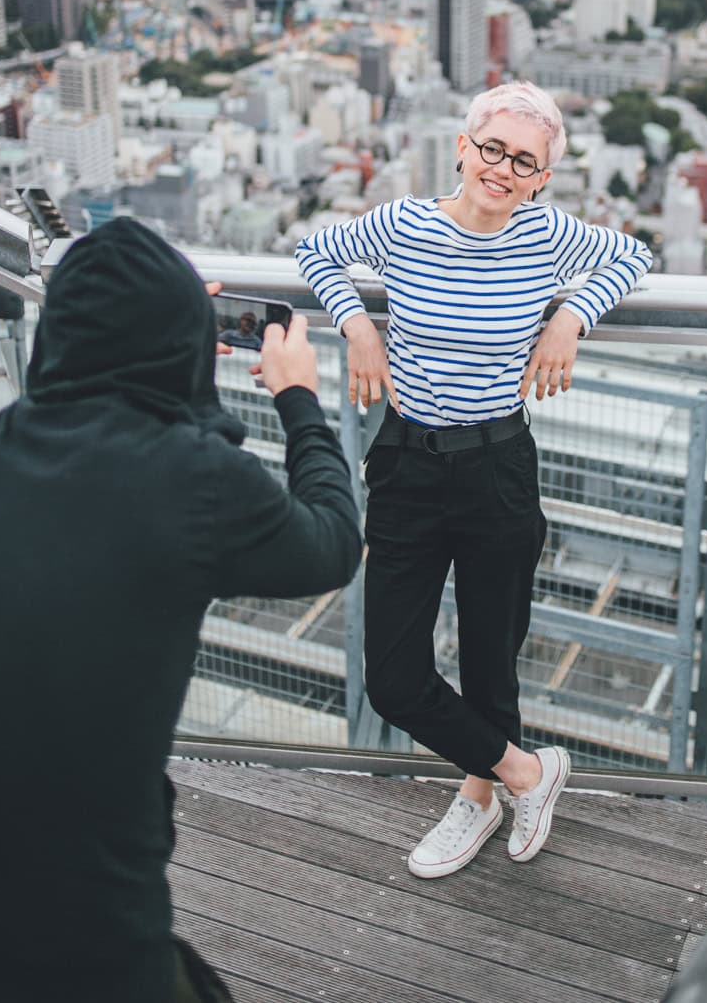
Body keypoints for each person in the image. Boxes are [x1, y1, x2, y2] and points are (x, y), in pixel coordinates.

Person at [0, 217, 362, 1003]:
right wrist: (297, 399)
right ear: (183, 348)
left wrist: (175, 335)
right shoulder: (194, 480)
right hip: (78, 933)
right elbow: (332, 542)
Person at [296, 81, 653, 878]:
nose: (502, 167)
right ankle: (528, 773)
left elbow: (632, 255)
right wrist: (358, 325)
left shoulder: (547, 236)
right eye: (491, 148)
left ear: (539, 180)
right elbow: (315, 253)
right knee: (392, 676)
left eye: (523, 161)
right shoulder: (405, 223)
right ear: (463, 147)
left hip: (496, 467)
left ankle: (478, 798)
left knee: (493, 659)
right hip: (407, 463)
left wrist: (569, 317)